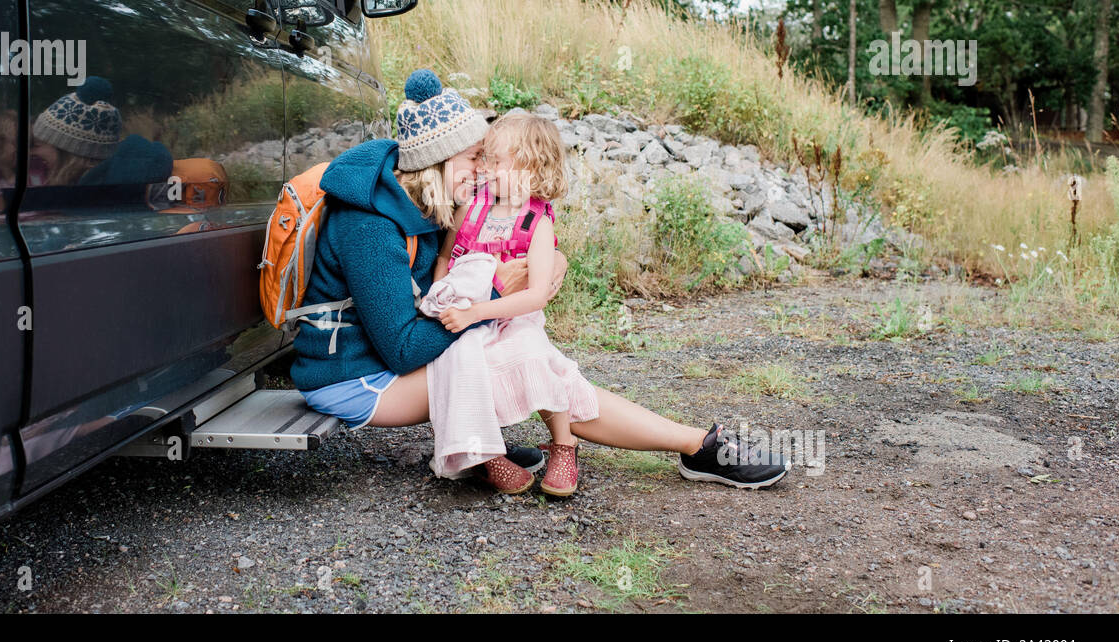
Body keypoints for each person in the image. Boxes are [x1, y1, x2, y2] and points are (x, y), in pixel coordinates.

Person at [289, 70, 789, 494]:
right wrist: (493, 295)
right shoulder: (370, 226)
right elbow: (401, 347)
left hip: (384, 357)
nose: (482, 173)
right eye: (472, 160)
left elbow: (498, 248)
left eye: (487, 161)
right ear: (437, 160)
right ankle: (695, 446)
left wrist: (552, 262)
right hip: (358, 380)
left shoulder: (424, 199)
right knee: (530, 361)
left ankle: (687, 444)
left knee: (525, 352)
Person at [425, 110, 599, 496]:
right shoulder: (471, 207)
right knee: (459, 359)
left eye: (496, 161)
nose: (485, 168)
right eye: (483, 159)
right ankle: (484, 453)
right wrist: (441, 300)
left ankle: (564, 444)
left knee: (534, 351)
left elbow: (536, 294)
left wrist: (478, 312)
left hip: (510, 314)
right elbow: (444, 257)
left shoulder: (537, 221)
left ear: (529, 166)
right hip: (465, 313)